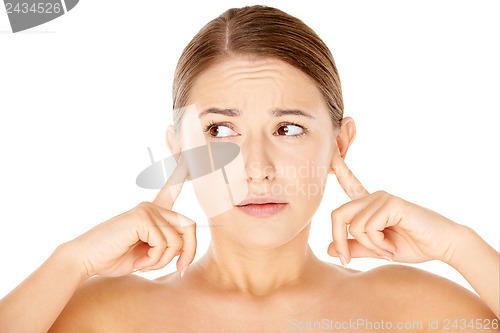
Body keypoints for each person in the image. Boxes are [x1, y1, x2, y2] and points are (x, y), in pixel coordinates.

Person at [0, 5, 498, 332]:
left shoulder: (411, 313)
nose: (257, 169)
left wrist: (462, 245)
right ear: (181, 153)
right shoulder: (103, 316)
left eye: (288, 129)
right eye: (220, 132)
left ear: (339, 144)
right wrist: (69, 261)